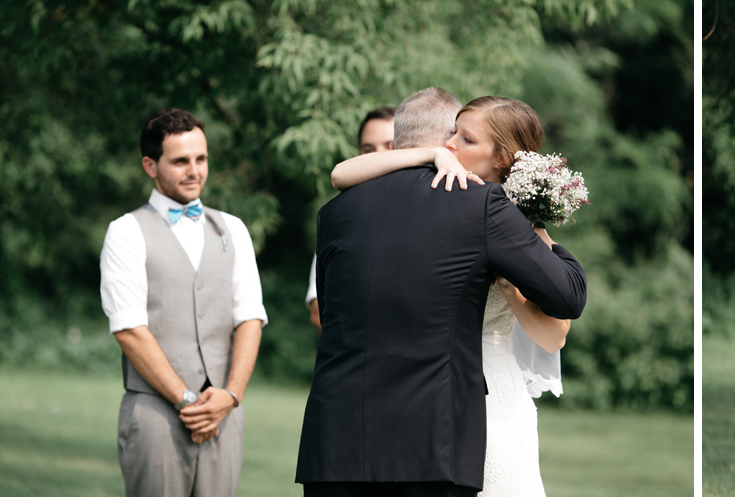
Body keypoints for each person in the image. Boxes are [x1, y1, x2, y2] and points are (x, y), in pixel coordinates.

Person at [295, 88, 586, 497]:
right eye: (454, 136)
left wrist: (534, 227)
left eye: (466, 139)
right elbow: (568, 293)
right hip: (438, 433)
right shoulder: (482, 206)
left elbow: (329, 312)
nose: (452, 145)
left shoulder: (336, 211)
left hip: (337, 441)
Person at [99, 108, 267, 497]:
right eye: (180, 161)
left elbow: (250, 319)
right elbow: (129, 330)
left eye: (201, 159)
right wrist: (189, 402)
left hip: (225, 414)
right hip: (155, 415)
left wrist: (230, 396)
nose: (194, 170)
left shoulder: (233, 229)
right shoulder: (125, 232)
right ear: (150, 166)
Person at [306, 106, 397, 332]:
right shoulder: (340, 216)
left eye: (391, 146)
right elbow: (318, 310)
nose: (379, 156)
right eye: (368, 149)